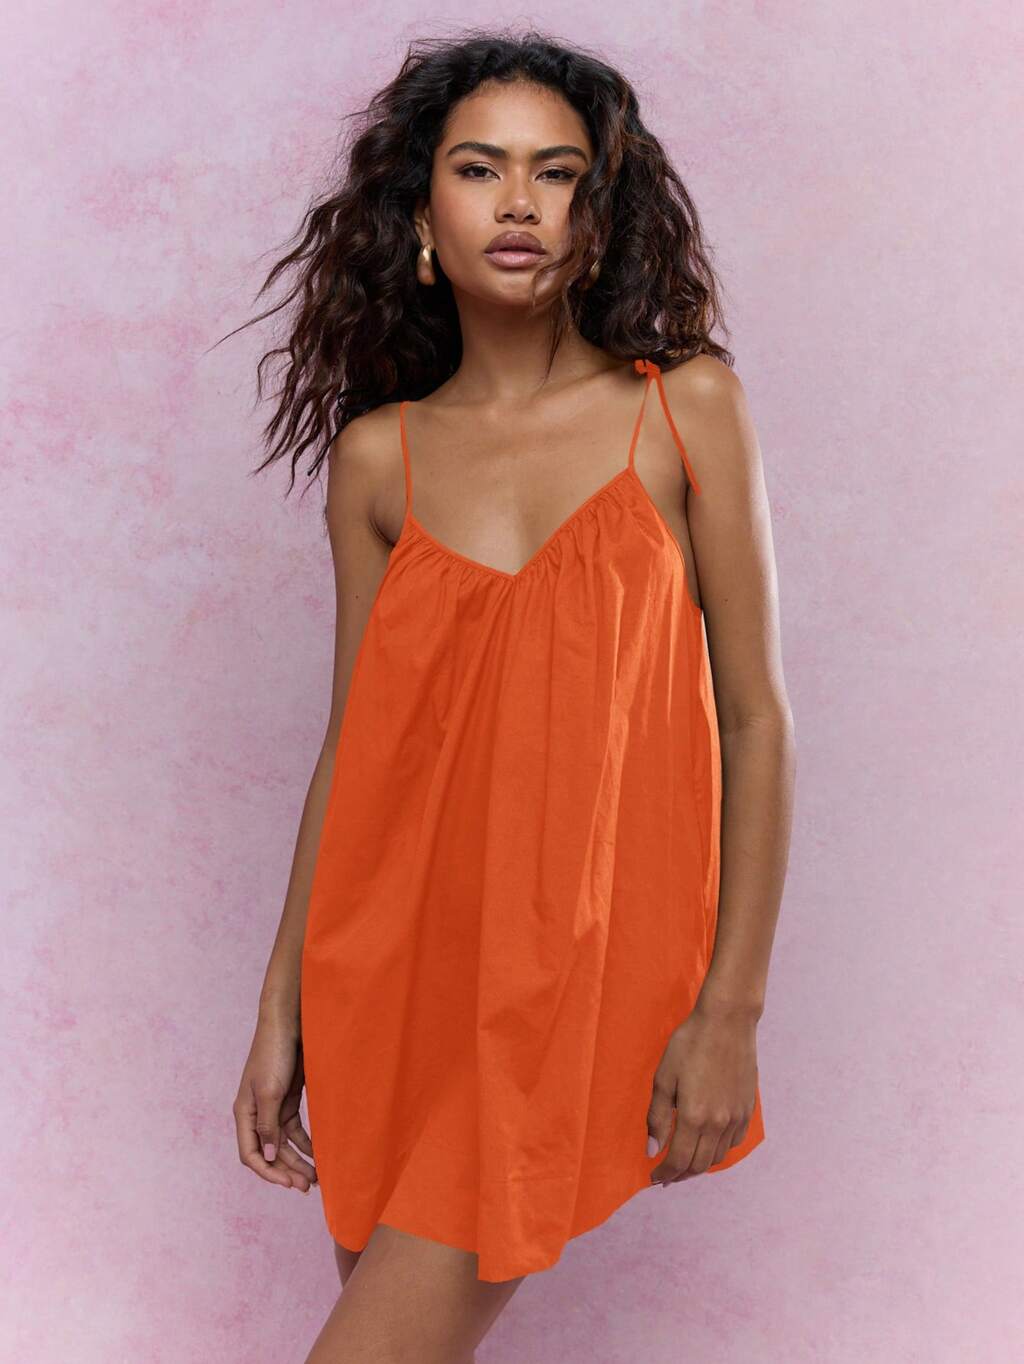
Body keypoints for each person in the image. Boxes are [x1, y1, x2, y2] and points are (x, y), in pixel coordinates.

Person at [231, 31, 795, 1364]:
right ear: (419, 214)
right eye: (480, 169)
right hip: (391, 974)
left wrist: (730, 1011)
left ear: (600, 216)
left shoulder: (685, 411)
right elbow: (353, 748)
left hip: (575, 977)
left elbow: (755, 720)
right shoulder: (380, 460)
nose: (521, 203)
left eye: (559, 172)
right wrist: (280, 1010)